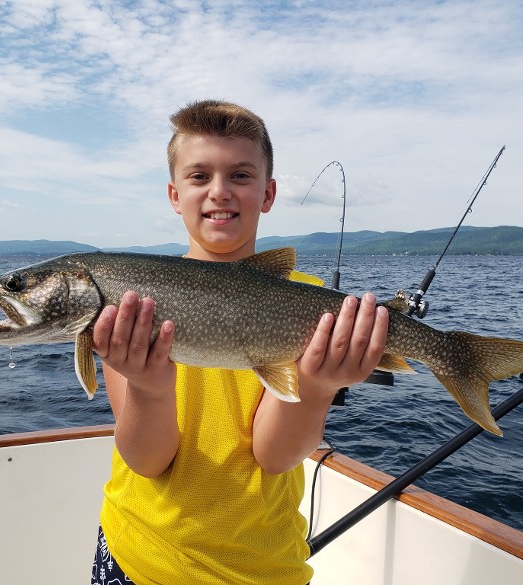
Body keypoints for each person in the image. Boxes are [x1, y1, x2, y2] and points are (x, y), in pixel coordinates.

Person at [89, 100, 388, 584]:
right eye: (199, 176)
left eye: (241, 176)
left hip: (261, 569)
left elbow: (274, 457)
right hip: (138, 557)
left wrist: (315, 389)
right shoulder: (130, 304)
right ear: (174, 194)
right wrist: (147, 388)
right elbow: (147, 461)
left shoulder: (310, 302)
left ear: (268, 194)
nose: (220, 192)